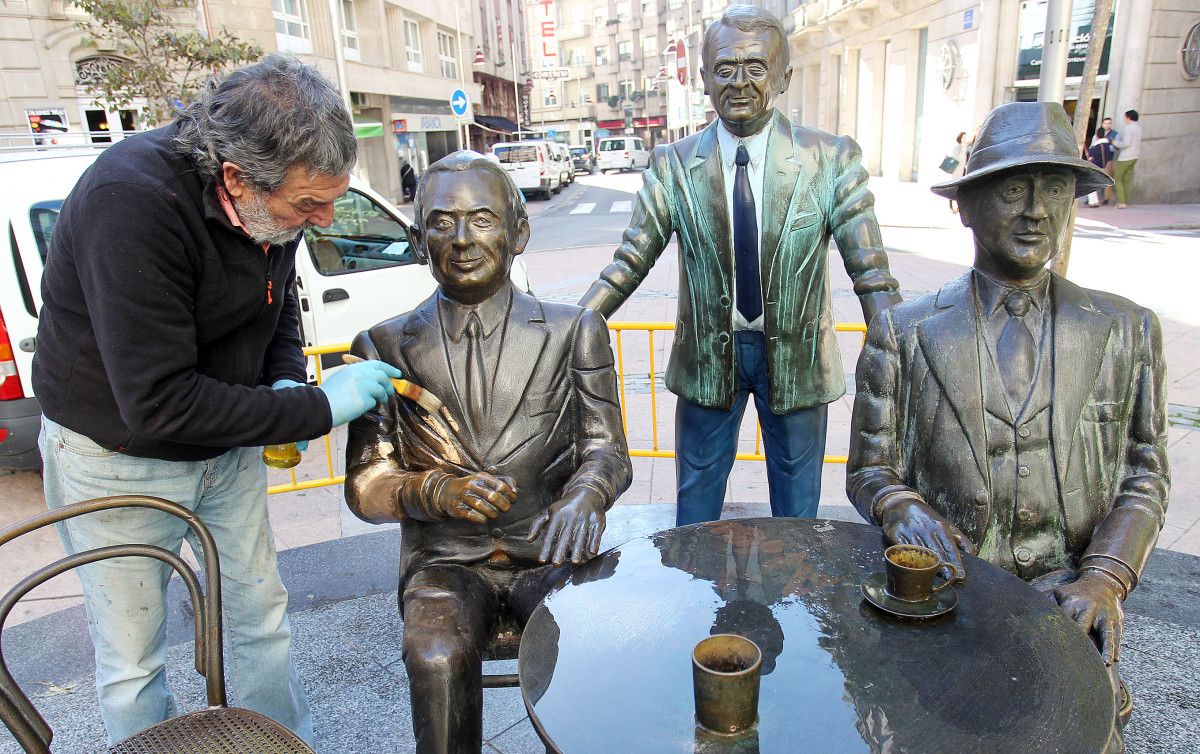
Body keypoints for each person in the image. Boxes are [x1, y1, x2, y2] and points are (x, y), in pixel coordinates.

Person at [33, 53, 404, 746]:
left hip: (223, 449)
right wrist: (317, 407)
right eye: (307, 204)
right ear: (235, 176)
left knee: (258, 619)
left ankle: (280, 745)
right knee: (133, 657)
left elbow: (278, 308)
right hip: (118, 457)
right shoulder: (131, 204)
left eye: (333, 199)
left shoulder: (274, 205)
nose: (322, 220)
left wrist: (285, 377)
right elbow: (159, 402)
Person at [847, 101, 1168, 739]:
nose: (1037, 211)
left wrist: (1104, 579)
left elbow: (1145, 475)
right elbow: (870, 468)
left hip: (1067, 596)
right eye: (1014, 190)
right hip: (946, 596)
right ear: (965, 206)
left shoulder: (1128, 330)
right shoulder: (903, 333)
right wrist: (899, 507)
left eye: (1055, 189)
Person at [344, 151, 632, 753]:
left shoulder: (574, 330)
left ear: (518, 231)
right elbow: (367, 485)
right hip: (445, 561)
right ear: (420, 240)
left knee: (587, 637)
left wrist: (585, 497)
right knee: (436, 650)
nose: (462, 239)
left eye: (482, 219)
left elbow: (607, 450)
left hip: (549, 550)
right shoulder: (384, 344)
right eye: (442, 222)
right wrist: (433, 490)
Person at [578, 5, 901, 526]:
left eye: (756, 67)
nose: (740, 82)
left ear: (783, 76)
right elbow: (630, 258)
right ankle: (691, 592)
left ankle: (793, 600)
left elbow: (871, 271)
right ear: (704, 78)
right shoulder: (674, 164)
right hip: (708, 358)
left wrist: (900, 342)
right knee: (696, 502)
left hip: (796, 359)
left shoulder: (831, 158)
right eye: (725, 68)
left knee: (799, 515)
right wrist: (572, 326)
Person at [1112, 110, 1142, 208]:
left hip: (1125, 157)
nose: (1124, 119)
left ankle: (1121, 201)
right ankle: (1125, 200)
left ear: (1128, 117)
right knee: (1127, 179)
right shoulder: (1138, 127)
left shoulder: (1129, 128)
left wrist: (1115, 143)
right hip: (1134, 156)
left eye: (1125, 117)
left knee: (1117, 178)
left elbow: (1126, 143)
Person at [1086, 127, 1114, 207]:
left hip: (1096, 167)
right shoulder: (1108, 145)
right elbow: (1110, 156)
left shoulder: (1095, 147)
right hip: (1106, 167)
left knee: (1091, 184)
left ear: (1097, 136)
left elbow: (1091, 157)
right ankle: (1105, 199)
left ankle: (1093, 202)